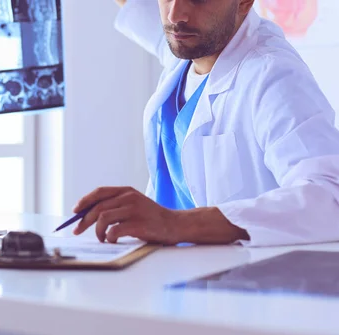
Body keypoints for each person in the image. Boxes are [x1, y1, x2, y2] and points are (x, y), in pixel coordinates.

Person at [72, 0, 339, 247]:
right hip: (173, 278)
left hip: (247, 288)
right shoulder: (188, 49)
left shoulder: (273, 76)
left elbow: (330, 198)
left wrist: (172, 223)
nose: (175, 15)